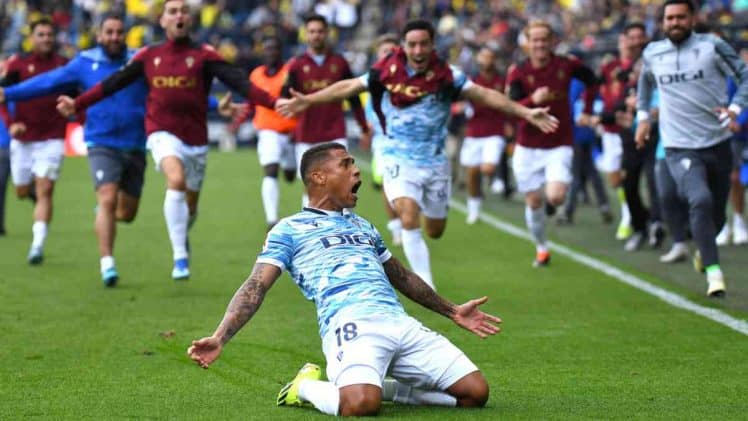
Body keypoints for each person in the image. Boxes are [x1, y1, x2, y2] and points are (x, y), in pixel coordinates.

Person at [188, 142, 502, 416]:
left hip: (398, 323)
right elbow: (256, 285)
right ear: (318, 177)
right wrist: (221, 336)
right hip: (350, 324)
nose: (357, 172)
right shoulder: (288, 229)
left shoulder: (364, 226)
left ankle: (385, 387)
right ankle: (307, 387)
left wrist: (453, 311)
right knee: (361, 405)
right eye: (346, 164)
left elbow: (402, 276)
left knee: (475, 393)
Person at [277, 19, 558, 288]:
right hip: (396, 156)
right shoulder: (386, 69)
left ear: (432, 45)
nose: (418, 51)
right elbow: (349, 86)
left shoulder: (448, 75)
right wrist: (308, 100)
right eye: (412, 45)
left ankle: (426, 231)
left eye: (424, 44)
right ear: (404, 46)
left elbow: (485, 95)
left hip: (435, 162)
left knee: (435, 229)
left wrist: (525, 111)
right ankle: (426, 284)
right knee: (408, 214)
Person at [57, 0, 277, 280]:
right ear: (162, 21)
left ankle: (181, 231)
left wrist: (275, 102)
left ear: (190, 19)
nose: (179, 16)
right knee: (175, 180)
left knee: (190, 205)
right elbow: (111, 84)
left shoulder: (205, 55)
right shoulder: (149, 56)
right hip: (161, 132)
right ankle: (180, 258)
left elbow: (242, 84)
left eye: (183, 11)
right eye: (172, 12)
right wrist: (78, 103)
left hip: (196, 139)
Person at [0, 14, 147, 286]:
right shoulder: (83, 62)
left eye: (119, 32)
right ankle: (107, 264)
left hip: (135, 143)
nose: (114, 37)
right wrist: (8, 94)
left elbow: (172, 89)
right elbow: (46, 82)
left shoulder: (139, 61)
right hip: (99, 141)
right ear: (99, 35)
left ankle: (102, 214)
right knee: (102, 197)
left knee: (126, 213)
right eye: (109, 32)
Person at [635, 0, 748, 297]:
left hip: (717, 141)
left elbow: (744, 75)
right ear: (662, 22)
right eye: (669, 18)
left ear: (693, 18)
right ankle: (714, 274)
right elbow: (644, 87)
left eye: (680, 17)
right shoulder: (653, 53)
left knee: (718, 216)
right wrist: (643, 119)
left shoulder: (712, 46)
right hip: (678, 146)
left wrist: (736, 107)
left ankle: (704, 253)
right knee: (699, 198)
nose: (674, 23)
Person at [506, 20, 597, 267]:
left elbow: (593, 80)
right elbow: (512, 107)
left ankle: (551, 205)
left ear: (552, 41)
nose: (540, 44)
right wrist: (531, 99)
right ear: (528, 43)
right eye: (534, 40)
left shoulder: (567, 64)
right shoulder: (518, 70)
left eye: (544, 39)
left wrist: (587, 110)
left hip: (559, 142)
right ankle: (542, 248)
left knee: (555, 197)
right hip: (527, 145)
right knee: (534, 201)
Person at [0, 17, 69, 264]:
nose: (46, 39)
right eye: (41, 34)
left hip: (52, 138)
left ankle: (37, 246)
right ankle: (37, 202)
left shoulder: (64, 65)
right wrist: (11, 125)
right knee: (21, 190)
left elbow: (77, 97)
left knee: (45, 189)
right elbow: (2, 98)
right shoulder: (18, 64)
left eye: (49, 34)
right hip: (24, 139)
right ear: (31, 38)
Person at [281, 14, 369, 207]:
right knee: (311, 187)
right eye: (312, 31)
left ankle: (347, 231)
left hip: (335, 133)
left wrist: (363, 126)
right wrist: (288, 129)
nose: (316, 35)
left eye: (320, 31)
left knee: (345, 185)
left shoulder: (340, 62)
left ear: (327, 33)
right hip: (306, 134)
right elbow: (285, 100)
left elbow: (353, 97)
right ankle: (311, 230)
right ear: (306, 34)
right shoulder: (296, 65)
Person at [244, 36, 298, 230]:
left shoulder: (290, 72)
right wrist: (239, 119)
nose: (271, 53)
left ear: (280, 51)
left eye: (274, 49)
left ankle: (287, 163)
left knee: (291, 175)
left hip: (291, 131)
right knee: (270, 170)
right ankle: (272, 219)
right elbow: (251, 100)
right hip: (267, 130)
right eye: (267, 49)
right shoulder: (256, 75)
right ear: (262, 52)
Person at [460, 47, 511, 225]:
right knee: (472, 173)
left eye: (490, 57)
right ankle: (474, 208)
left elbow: (508, 103)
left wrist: (509, 124)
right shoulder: (471, 81)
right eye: (483, 57)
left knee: (487, 168)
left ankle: (494, 178)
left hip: (494, 131)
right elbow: (461, 99)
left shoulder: (501, 80)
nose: (486, 60)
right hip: (474, 131)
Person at [363, 33, 402, 244]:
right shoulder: (373, 81)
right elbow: (369, 112)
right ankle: (396, 227)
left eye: (392, 51)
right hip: (383, 142)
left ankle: (408, 222)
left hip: (409, 142)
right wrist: (367, 128)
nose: (388, 55)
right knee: (387, 184)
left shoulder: (409, 78)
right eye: (384, 51)